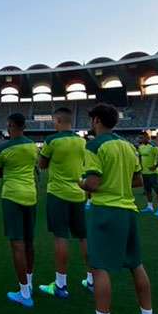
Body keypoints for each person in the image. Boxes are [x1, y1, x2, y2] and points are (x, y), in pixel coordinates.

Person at [76, 104, 155, 314]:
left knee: (100, 268)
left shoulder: (95, 145)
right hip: (128, 210)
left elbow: (92, 182)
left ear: (97, 120)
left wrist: (80, 182)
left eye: (92, 120)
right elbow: (138, 180)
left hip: (105, 211)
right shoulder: (128, 146)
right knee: (136, 265)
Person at [36, 107, 92, 298]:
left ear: (58, 120)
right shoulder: (82, 141)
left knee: (61, 236)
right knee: (83, 236)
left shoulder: (52, 140)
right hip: (79, 192)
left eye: (54, 120)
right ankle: (91, 279)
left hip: (58, 193)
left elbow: (41, 165)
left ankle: (61, 285)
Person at [0, 113, 38, 308]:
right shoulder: (33, 146)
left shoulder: (3, 148)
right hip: (31, 195)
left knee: (17, 245)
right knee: (29, 242)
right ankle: (30, 281)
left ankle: (24, 292)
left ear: (11, 125)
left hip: (12, 196)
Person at [137, 132, 158, 216]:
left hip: (153, 173)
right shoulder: (140, 147)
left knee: (157, 190)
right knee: (147, 191)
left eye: (142, 138)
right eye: (140, 138)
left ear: (147, 138)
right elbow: (140, 158)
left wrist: (155, 166)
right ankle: (150, 207)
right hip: (144, 173)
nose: (140, 139)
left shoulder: (153, 147)